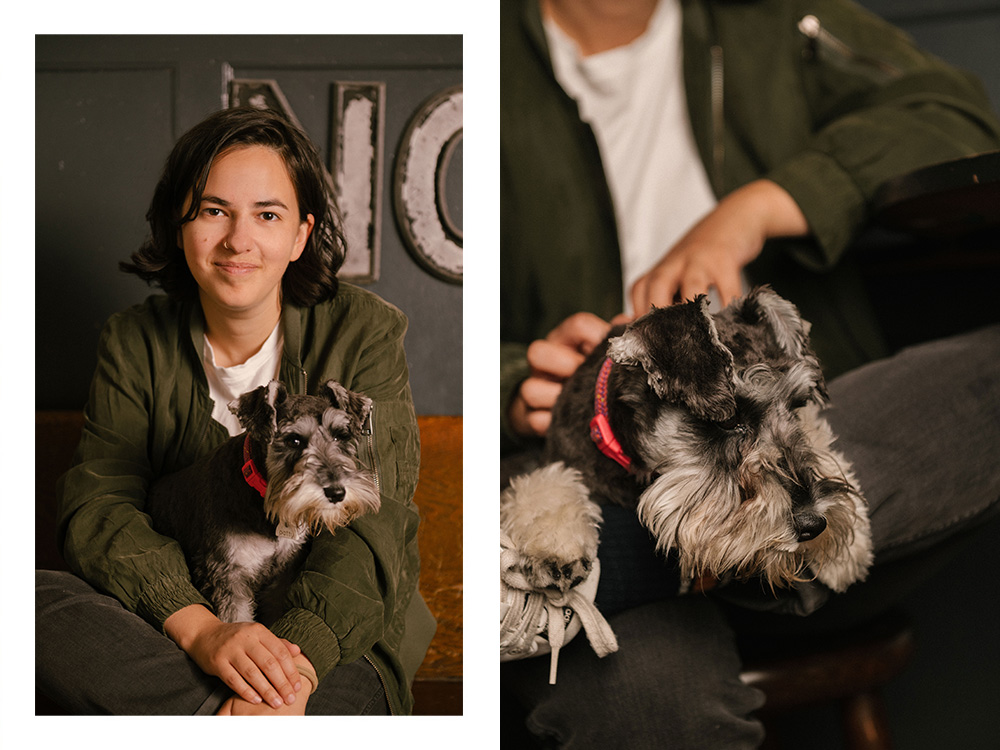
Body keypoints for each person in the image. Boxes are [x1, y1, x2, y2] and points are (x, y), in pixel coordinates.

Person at [500, 0, 1000, 746]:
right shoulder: (474, 51)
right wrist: (516, 377)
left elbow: (954, 111)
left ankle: (618, 561)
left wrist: (761, 207)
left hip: (784, 482)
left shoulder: (778, 17)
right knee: (649, 714)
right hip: (592, 461)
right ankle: (648, 549)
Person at [36, 106, 435, 716]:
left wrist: (284, 670)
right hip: (178, 628)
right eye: (213, 210)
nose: (237, 241)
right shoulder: (133, 340)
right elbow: (99, 506)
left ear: (301, 235)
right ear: (179, 224)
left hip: (332, 640)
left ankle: (211, 715)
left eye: (267, 215)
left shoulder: (365, 332)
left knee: (325, 687)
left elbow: (376, 530)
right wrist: (204, 631)